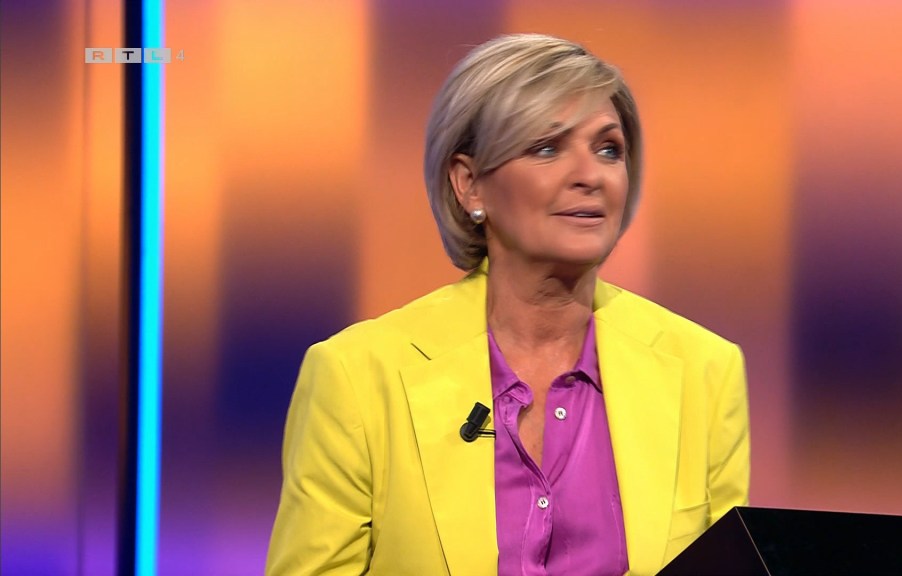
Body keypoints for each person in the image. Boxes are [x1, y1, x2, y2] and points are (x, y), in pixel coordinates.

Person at [266, 33, 750, 576]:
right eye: (546, 148)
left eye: (609, 149)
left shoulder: (704, 372)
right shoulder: (357, 378)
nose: (590, 176)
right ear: (469, 185)